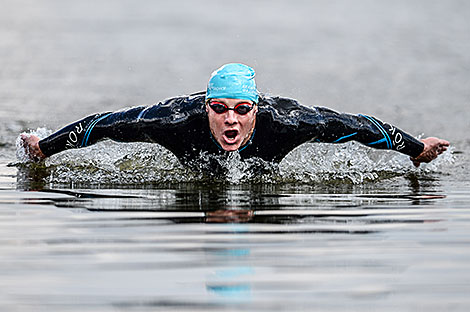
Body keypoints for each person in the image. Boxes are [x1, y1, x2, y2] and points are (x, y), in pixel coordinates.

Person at [21, 63, 449, 170]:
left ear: (256, 110)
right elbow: (105, 125)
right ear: (206, 107)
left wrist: (416, 149)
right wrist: (44, 148)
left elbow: (357, 126)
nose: (231, 121)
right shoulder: (172, 121)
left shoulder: (289, 123)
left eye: (242, 111)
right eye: (220, 110)